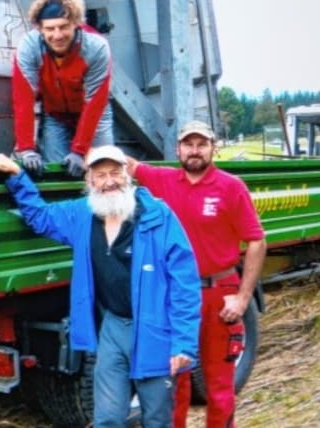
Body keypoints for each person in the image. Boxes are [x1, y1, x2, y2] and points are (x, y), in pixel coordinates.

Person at [0, 145, 201, 427]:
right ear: (89, 181)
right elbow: (40, 217)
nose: (109, 181)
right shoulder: (82, 215)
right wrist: (16, 174)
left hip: (155, 329)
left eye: (115, 173)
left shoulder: (157, 216)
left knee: (158, 418)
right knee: (107, 418)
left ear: (127, 175)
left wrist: (184, 343)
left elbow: (185, 284)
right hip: (113, 328)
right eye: (100, 175)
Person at [126, 120, 267, 428]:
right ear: (178, 149)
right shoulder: (163, 180)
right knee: (176, 381)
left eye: (201, 144)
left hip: (218, 294)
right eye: (188, 144)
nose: (194, 151)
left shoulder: (231, 187)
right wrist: (89, 153)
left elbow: (257, 239)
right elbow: (130, 165)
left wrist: (243, 298)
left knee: (218, 385)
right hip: (175, 296)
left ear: (213, 148)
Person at [12, 0, 114, 178]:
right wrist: (26, 149)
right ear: (39, 29)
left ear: (76, 24)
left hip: (94, 114)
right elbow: (23, 99)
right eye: (50, 28)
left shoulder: (96, 47)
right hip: (55, 115)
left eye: (63, 26)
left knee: (104, 168)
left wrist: (80, 151)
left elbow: (95, 102)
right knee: (56, 173)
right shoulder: (28, 47)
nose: (57, 35)